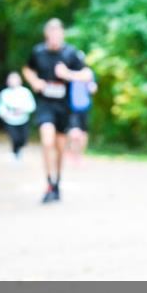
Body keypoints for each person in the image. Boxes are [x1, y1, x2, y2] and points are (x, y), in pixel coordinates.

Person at [21, 18, 93, 203]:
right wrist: (35, 82)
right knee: (47, 141)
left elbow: (87, 74)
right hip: (45, 103)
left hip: (64, 106)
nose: (55, 37)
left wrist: (68, 74)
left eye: (58, 33)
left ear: (62, 34)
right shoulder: (38, 52)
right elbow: (27, 69)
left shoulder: (70, 53)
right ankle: (48, 182)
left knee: (60, 147)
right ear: (47, 34)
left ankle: (57, 182)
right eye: (52, 33)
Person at [0, 71, 36, 159]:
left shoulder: (26, 92)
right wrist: (3, 114)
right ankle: (15, 152)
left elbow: (32, 105)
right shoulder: (4, 93)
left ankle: (18, 150)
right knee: (14, 138)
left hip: (23, 119)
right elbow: (0, 107)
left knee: (24, 139)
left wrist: (23, 110)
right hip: (10, 120)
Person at [67, 71, 97, 161]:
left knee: (83, 133)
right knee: (74, 133)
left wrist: (89, 82)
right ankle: (72, 152)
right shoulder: (68, 72)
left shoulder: (88, 74)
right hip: (71, 107)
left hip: (84, 107)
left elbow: (93, 89)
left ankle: (80, 155)